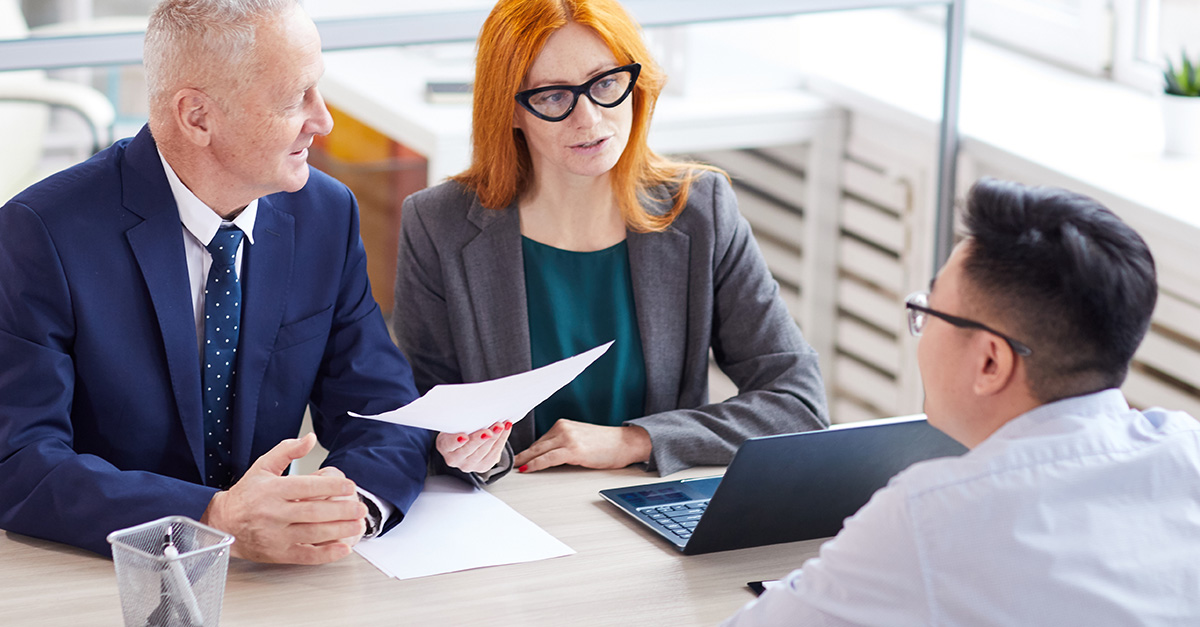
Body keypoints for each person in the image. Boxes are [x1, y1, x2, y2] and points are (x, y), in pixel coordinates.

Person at [0, 0, 432, 565]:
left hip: (276, 575)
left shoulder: (325, 213)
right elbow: (21, 459)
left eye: (317, 89)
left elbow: (385, 405)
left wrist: (343, 509)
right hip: (111, 571)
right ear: (197, 116)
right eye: (293, 98)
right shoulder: (43, 232)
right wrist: (212, 516)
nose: (322, 120)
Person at [723, 178, 1200, 626]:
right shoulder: (1187, 452)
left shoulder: (931, 516)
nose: (921, 332)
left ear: (991, 361)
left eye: (928, 311)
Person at [393, 0, 828, 485]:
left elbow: (797, 402)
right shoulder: (439, 223)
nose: (589, 118)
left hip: (650, 499)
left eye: (605, 84)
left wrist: (635, 439)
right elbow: (416, 419)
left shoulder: (700, 210)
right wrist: (463, 451)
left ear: (634, 85)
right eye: (554, 96)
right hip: (508, 507)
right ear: (511, 110)